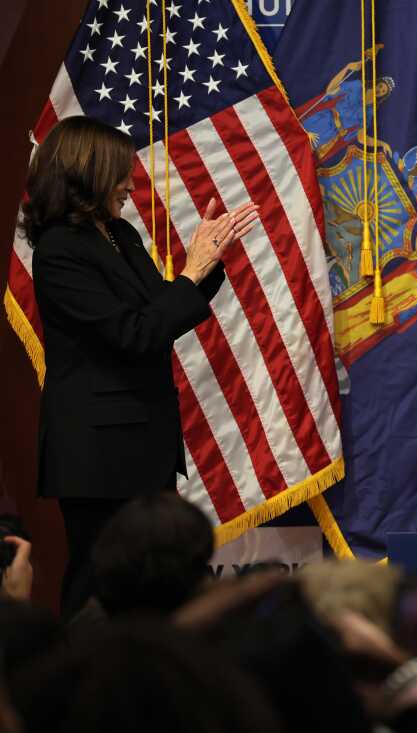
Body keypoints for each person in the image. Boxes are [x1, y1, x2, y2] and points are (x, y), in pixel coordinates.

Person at [20, 115, 260, 616]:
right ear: (88, 172)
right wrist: (191, 273)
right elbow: (134, 334)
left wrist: (207, 265)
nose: (131, 183)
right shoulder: (60, 250)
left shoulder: (118, 233)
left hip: (141, 444)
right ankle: (81, 684)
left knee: (149, 587)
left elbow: (158, 311)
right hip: (99, 455)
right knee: (98, 581)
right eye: (122, 172)